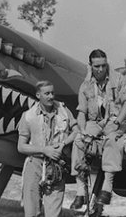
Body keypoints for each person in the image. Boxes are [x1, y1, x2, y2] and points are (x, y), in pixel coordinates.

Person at [70, 49, 126, 211]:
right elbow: (82, 112)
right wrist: (83, 130)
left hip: (114, 121)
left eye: (103, 65)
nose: (100, 69)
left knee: (112, 140)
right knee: (78, 140)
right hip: (94, 122)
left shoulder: (118, 79)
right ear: (90, 66)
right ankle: (80, 191)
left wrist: (119, 121)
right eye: (96, 66)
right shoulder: (86, 85)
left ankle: (107, 186)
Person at [17, 80, 78, 217]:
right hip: (34, 166)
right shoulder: (28, 116)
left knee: (53, 213)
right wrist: (44, 150)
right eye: (47, 93)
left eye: (52, 93)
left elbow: (76, 131)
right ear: (38, 95)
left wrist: (63, 144)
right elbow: (21, 146)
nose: (51, 96)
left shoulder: (63, 110)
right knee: (32, 212)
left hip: (57, 167)